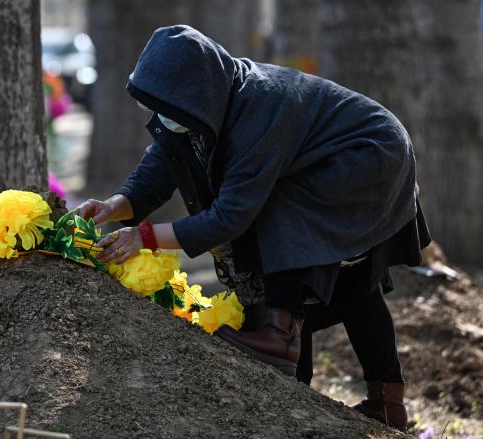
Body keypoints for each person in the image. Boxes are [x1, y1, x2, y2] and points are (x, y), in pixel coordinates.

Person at [77, 25, 430, 431]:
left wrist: (146, 237)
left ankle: (280, 335)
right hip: (338, 161)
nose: (161, 118)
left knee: (275, 216)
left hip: (370, 160)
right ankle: (384, 403)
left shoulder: (259, 110)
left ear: (195, 92)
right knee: (352, 282)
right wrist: (112, 207)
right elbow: (156, 171)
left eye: (168, 106)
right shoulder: (201, 109)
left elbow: (232, 217)